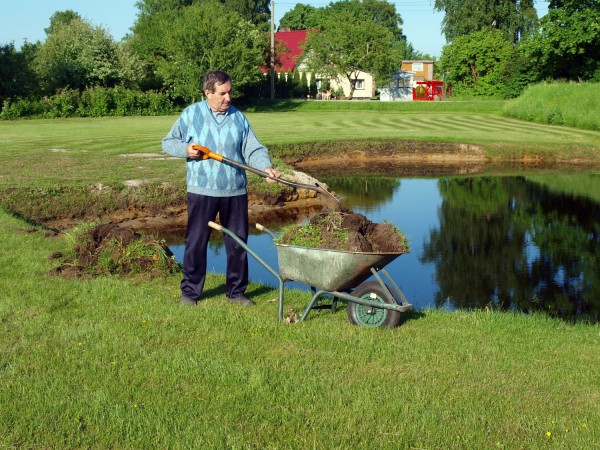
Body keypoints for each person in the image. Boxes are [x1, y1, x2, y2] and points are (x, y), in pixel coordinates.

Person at [162, 70, 280, 306]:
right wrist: (186, 150)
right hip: (201, 190)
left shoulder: (238, 117)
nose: (228, 98)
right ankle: (190, 293)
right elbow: (168, 142)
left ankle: (236, 292)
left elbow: (253, 149)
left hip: (235, 191)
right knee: (196, 242)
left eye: (230, 92)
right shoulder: (191, 114)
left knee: (238, 243)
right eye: (223, 93)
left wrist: (266, 168)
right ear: (208, 93)